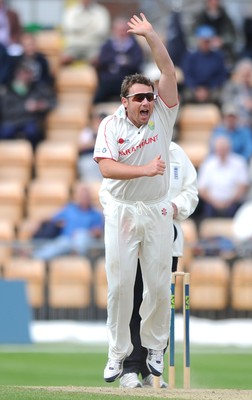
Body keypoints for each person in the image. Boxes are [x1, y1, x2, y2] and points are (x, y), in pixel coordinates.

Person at [93, 12, 179, 383]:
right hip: (122, 209)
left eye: (149, 96)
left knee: (159, 285)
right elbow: (107, 168)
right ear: (125, 101)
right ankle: (117, 354)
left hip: (156, 208)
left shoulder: (162, 114)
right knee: (120, 287)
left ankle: (155, 346)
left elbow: (169, 72)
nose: (147, 102)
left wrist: (150, 36)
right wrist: (144, 170)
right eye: (140, 98)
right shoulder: (110, 125)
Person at [118, 141, 199, 389]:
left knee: (160, 305)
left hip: (167, 240)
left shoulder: (176, 154)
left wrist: (176, 206)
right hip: (135, 239)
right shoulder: (131, 150)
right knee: (133, 302)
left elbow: (191, 192)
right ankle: (130, 368)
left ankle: (154, 370)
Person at [32, 184, 104, 261]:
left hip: (84, 240)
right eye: (82, 197)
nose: (84, 199)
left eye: (86, 197)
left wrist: (87, 233)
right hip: (67, 240)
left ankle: (76, 259)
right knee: (59, 244)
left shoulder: (95, 214)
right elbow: (52, 218)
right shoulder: (70, 209)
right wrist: (39, 222)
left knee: (81, 236)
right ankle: (34, 257)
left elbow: (98, 232)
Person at [0, 60, 56, 149]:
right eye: (25, 73)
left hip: (28, 121)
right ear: (18, 73)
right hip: (11, 122)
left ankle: (32, 159)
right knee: (5, 132)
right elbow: (5, 111)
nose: (28, 76)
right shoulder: (8, 90)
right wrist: (25, 108)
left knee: (33, 132)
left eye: (29, 73)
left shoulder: (37, 88)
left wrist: (40, 105)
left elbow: (53, 102)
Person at [93, 16, 144, 104]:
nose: (122, 33)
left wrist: (122, 63)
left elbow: (136, 63)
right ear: (114, 30)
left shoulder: (134, 45)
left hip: (128, 81)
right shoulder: (108, 45)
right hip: (108, 81)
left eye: (124, 30)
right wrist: (118, 60)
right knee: (97, 99)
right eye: (119, 30)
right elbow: (102, 61)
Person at [197, 135, 249, 218]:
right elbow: (202, 189)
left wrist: (230, 201)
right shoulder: (208, 164)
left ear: (229, 148)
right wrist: (215, 202)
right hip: (211, 203)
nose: (222, 151)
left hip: (234, 203)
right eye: (219, 149)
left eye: (224, 148)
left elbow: (243, 186)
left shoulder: (239, 162)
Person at [181, 25, 227, 105]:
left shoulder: (218, 57)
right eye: (204, 41)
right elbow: (187, 74)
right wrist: (196, 88)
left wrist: (207, 89)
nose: (206, 43)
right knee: (183, 96)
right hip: (194, 89)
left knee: (221, 96)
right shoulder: (190, 57)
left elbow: (221, 75)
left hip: (212, 89)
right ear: (199, 40)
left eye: (208, 41)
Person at [60, 0, 111, 66]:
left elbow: (102, 31)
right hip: (74, 46)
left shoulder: (101, 11)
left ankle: (96, 76)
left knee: (98, 61)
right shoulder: (71, 11)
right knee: (63, 59)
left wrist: (79, 31)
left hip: (94, 46)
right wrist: (91, 28)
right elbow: (68, 28)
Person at [191, 0, 237, 69]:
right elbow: (192, 35)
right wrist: (205, 42)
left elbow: (232, 36)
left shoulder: (226, 17)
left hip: (223, 51)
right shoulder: (200, 17)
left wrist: (222, 40)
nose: (213, 2)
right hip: (203, 51)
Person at [220, 58, 252, 131]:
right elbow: (224, 101)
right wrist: (242, 101)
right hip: (232, 125)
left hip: (249, 127)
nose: (246, 79)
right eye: (244, 75)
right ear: (239, 75)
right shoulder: (230, 87)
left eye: (249, 76)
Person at [78, 111, 107, 182]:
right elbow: (81, 147)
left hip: (104, 159)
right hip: (88, 157)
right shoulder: (87, 132)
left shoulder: (108, 132)